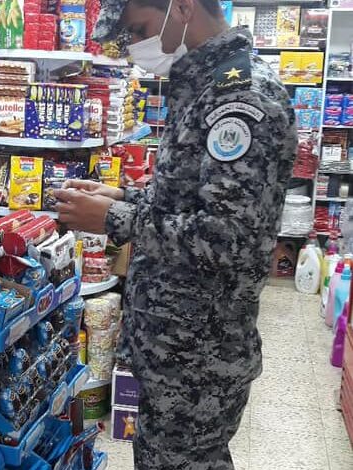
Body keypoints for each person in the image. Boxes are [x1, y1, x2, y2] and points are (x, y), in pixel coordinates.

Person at [54, 0, 298, 468]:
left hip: (200, 356)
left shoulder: (240, 99)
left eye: (138, 29)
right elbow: (189, 198)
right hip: (175, 345)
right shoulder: (205, 84)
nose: (134, 46)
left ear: (182, 8)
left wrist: (114, 219)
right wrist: (120, 194)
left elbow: (229, 237)